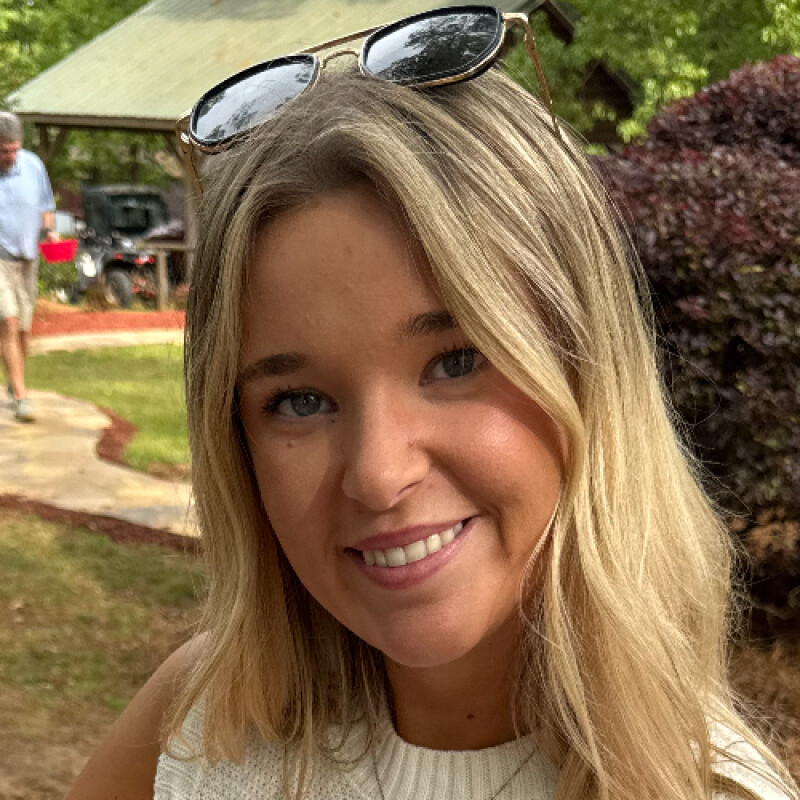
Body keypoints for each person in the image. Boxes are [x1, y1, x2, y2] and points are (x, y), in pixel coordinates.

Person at [66, 7, 798, 800]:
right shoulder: (200, 726)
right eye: (299, 401)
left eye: (457, 361)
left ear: (590, 367)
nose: (379, 475)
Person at [0, 110, 57, 423]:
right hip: (1, 260)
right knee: (8, 322)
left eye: (14, 150)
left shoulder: (33, 166)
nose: (10, 157)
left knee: (23, 329)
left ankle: (14, 380)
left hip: (28, 259)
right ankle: (22, 396)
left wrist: (49, 232)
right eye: (3, 151)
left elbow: (46, 206)